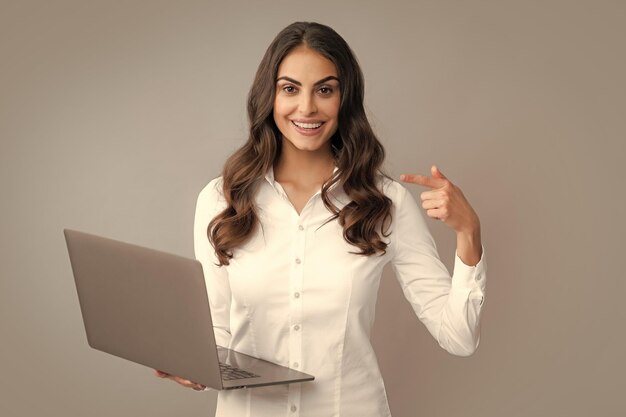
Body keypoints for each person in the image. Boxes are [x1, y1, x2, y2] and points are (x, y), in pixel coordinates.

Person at [156, 21, 486, 417]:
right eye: (290, 89)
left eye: (325, 90)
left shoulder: (386, 203)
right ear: (270, 96)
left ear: (344, 99)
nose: (307, 107)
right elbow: (216, 332)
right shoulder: (221, 199)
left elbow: (459, 338)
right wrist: (191, 365)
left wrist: (469, 233)